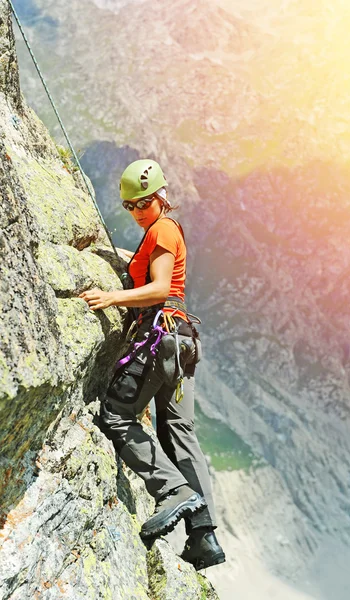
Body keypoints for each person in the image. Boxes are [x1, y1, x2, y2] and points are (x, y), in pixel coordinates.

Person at [79, 159, 225, 570]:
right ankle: (204, 536)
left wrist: (111, 296)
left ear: (162, 196)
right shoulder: (160, 234)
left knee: (116, 414)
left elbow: (159, 288)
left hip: (158, 337)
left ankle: (172, 491)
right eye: (129, 205)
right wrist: (131, 259)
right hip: (181, 344)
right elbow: (159, 273)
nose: (138, 209)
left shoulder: (161, 228)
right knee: (179, 432)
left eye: (144, 201)